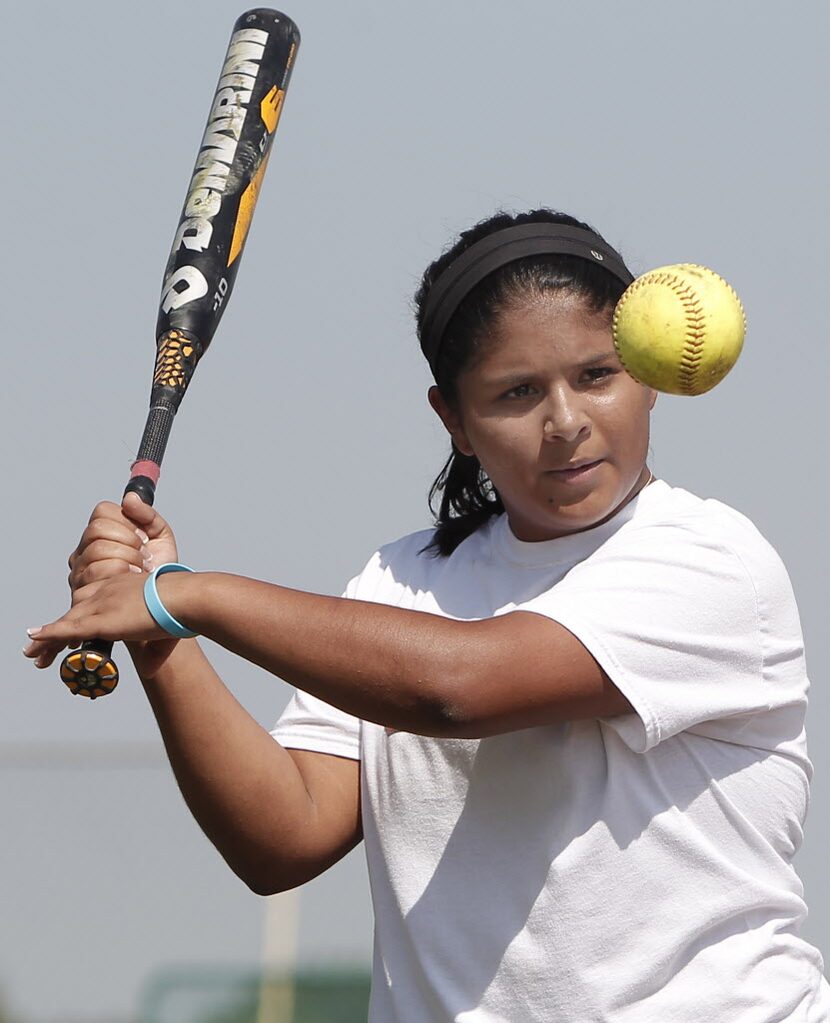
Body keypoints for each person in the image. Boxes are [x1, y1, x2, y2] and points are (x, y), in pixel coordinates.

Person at [25, 209, 830, 1021]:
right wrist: (160, 633)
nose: (566, 420)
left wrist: (189, 594)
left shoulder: (711, 560)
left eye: (596, 374)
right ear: (455, 420)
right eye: (518, 392)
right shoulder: (402, 580)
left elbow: (460, 687)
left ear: (647, 378)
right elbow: (282, 835)